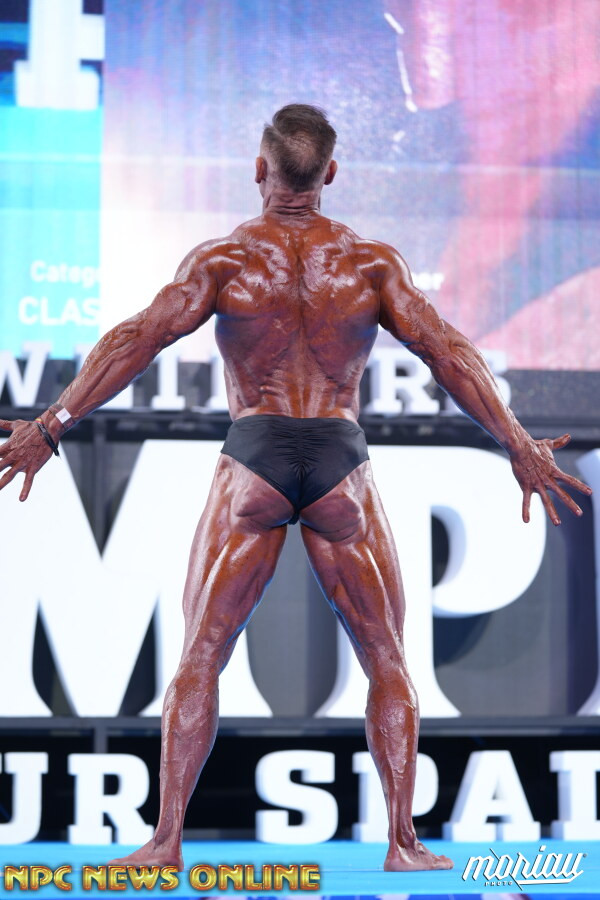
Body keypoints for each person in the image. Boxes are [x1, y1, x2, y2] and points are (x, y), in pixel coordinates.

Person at [0, 104, 591, 873]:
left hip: (255, 455)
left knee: (203, 651)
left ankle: (166, 840)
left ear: (260, 169)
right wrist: (517, 443)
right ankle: (402, 843)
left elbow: (137, 339)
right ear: (331, 174)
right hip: (341, 459)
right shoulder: (372, 265)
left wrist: (51, 425)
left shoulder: (225, 260)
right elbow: (449, 352)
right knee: (386, 656)